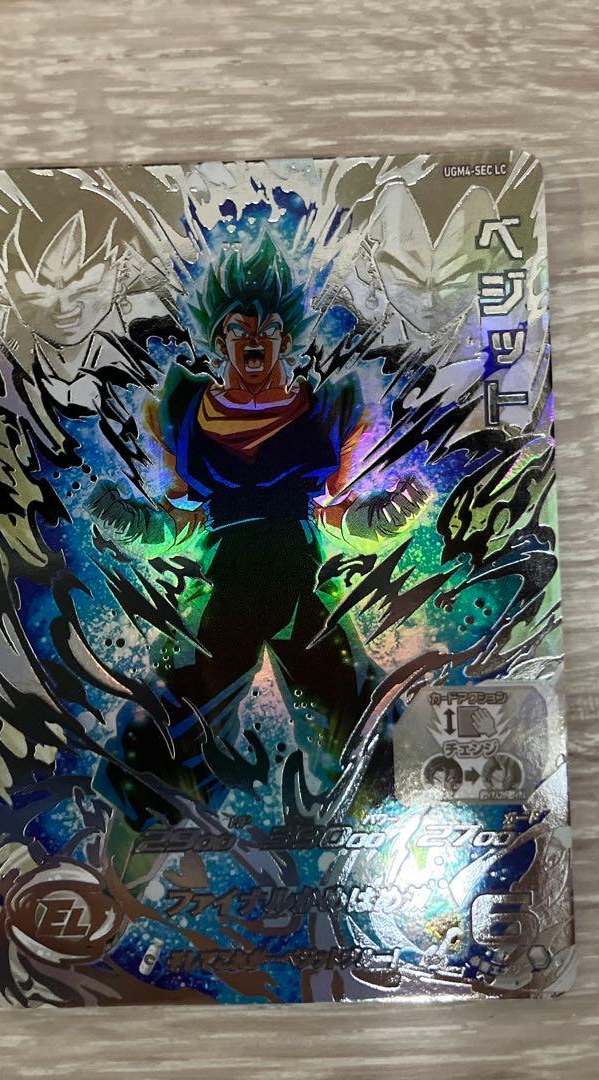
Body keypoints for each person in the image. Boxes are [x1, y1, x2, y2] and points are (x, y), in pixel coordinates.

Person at [89, 233, 426, 829]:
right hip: (226, 596)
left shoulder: (325, 411)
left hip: (300, 591)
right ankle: (140, 834)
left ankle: (387, 819)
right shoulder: (185, 411)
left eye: (268, 328)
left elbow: (334, 515)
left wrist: (388, 515)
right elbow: (180, 523)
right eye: (238, 328)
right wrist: (125, 519)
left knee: (356, 709)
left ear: (285, 340)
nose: (254, 338)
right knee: (180, 717)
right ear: (219, 340)